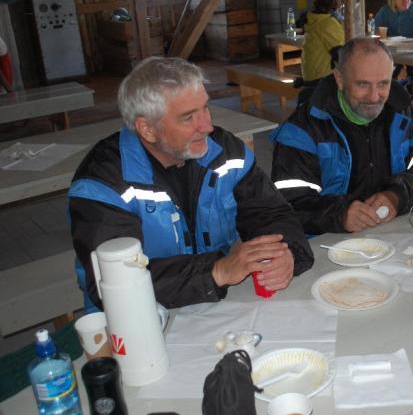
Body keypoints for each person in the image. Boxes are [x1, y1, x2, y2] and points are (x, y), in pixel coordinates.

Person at [69, 57, 314, 311]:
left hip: (212, 302)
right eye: (188, 118)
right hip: (132, 319)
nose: (207, 126)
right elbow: (113, 283)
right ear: (147, 129)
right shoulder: (103, 183)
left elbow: (271, 212)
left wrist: (288, 254)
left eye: (205, 108)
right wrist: (216, 271)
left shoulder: (225, 152)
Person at [270, 37, 413, 235]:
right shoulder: (304, 128)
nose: (374, 96)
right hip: (326, 244)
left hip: (393, 232)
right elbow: (286, 205)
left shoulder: (402, 111)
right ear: (339, 79)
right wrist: (340, 215)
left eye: (383, 84)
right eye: (362, 84)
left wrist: (397, 195)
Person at [301, 0, 345, 82]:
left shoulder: (314, 18)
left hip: (310, 75)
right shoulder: (328, 24)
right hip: (322, 78)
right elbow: (340, 53)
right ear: (335, 0)